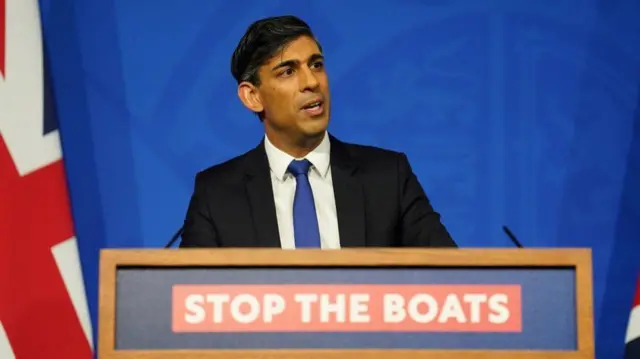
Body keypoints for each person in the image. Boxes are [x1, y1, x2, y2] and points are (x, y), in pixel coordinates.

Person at [179, 15, 456, 249]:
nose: (311, 82)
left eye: (316, 65)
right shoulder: (217, 194)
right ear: (252, 97)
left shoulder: (387, 178)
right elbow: (187, 300)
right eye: (287, 72)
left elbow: (452, 278)